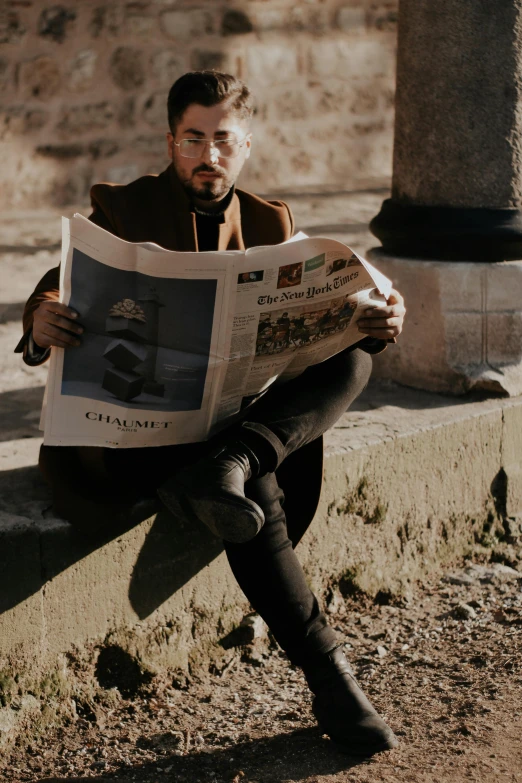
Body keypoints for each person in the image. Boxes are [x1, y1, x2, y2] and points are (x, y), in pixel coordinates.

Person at [16, 72, 406, 756]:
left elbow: (330, 324)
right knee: (246, 482)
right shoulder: (122, 207)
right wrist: (41, 317)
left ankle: (233, 458)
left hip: (227, 418)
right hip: (129, 438)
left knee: (356, 360)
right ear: (172, 142)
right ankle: (331, 676)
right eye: (193, 138)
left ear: (245, 145)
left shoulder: (271, 221)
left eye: (223, 138)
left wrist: (373, 318)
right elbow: (60, 283)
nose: (208, 154)